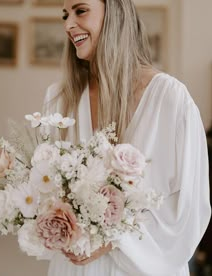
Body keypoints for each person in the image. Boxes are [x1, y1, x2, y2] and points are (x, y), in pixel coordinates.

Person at [43, 0, 211, 275]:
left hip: (141, 264)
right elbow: (47, 189)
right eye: (65, 14)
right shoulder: (60, 99)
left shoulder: (169, 98)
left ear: (114, 14)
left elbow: (189, 207)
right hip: (74, 266)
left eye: (80, 10)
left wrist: (113, 239)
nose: (68, 24)